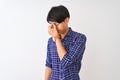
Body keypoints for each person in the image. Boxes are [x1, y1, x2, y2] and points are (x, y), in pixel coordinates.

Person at [45, 5, 87, 80]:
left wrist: (57, 39)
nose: (54, 28)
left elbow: (66, 62)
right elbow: (49, 64)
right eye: (52, 24)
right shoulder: (50, 41)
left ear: (66, 20)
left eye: (57, 24)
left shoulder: (79, 38)